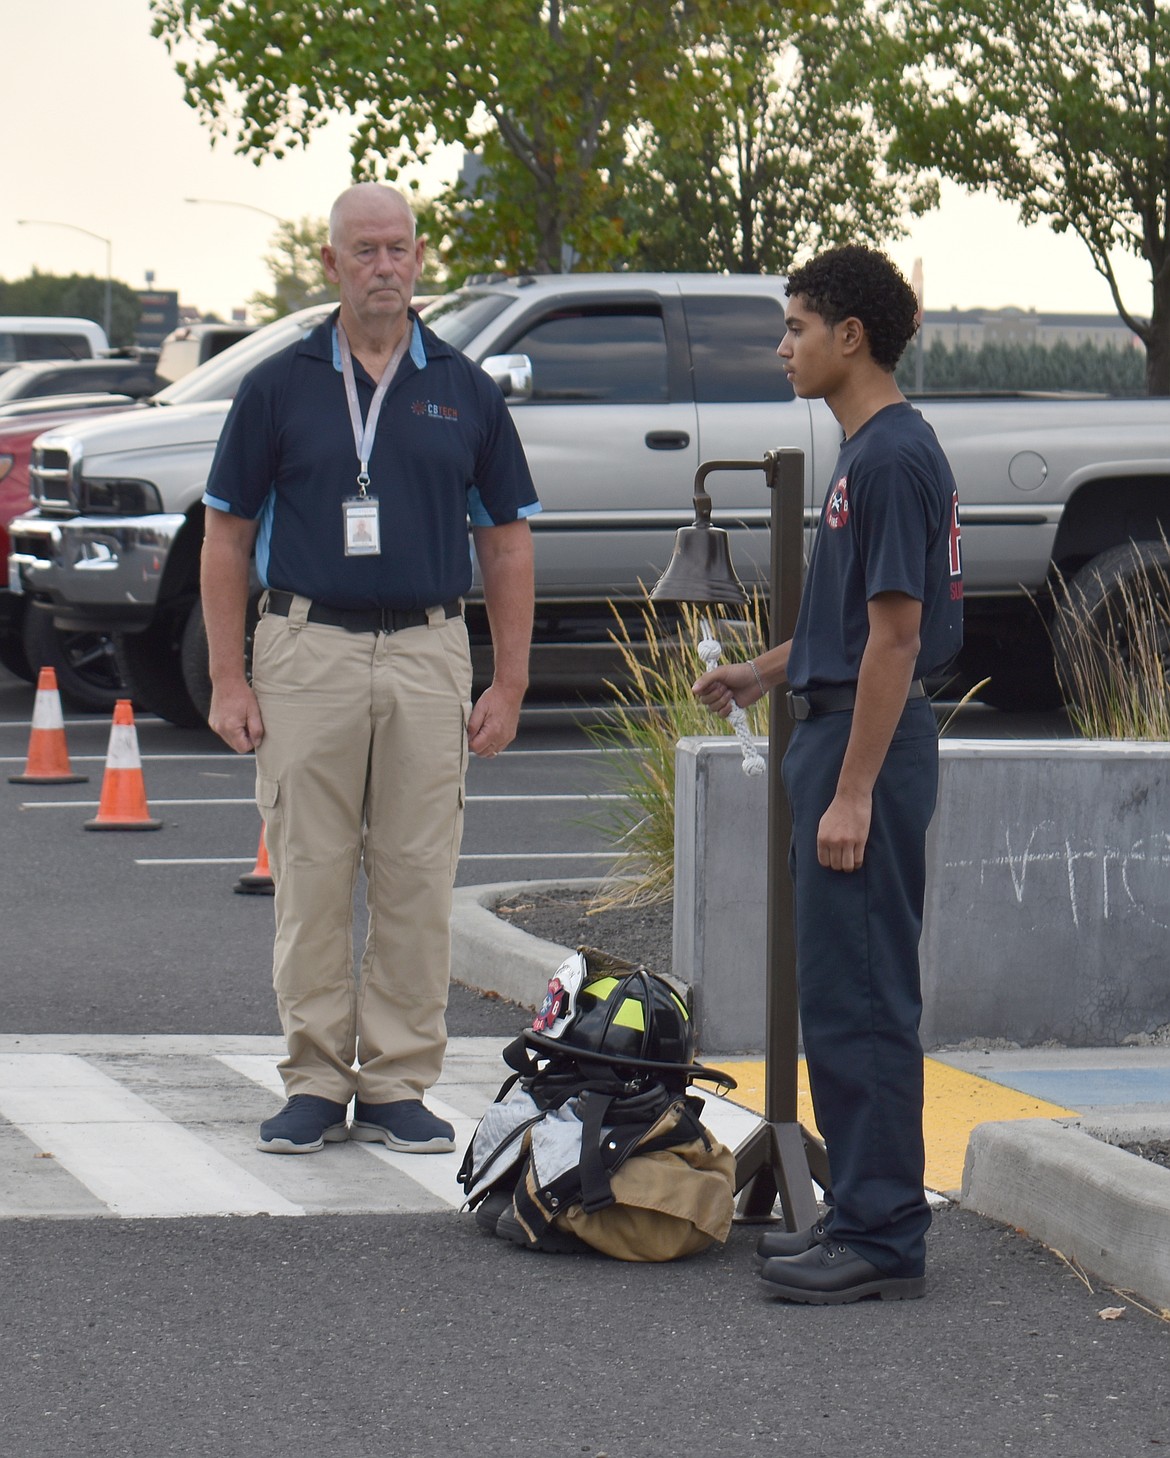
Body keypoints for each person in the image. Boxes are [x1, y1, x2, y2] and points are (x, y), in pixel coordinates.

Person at [201, 183, 540, 1157]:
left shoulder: (464, 388)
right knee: (310, 870)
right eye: (365, 251)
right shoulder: (280, 384)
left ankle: (395, 1083)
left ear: (418, 258)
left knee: (415, 873)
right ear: (332, 264)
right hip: (307, 647)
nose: (384, 266)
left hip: (432, 646)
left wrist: (506, 682)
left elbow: (507, 543)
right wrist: (230, 676)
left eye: (398, 249)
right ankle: (314, 1079)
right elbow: (225, 538)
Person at [693, 246, 962, 1303]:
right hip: (842, 731)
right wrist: (765, 673)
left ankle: (885, 1238)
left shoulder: (891, 458)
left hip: (869, 750)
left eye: (796, 326)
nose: (784, 346)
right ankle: (859, 1210)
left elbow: (895, 641)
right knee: (841, 993)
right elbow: (850, 628)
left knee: (860, 1000)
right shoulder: (871, 448)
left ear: (850, 336)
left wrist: (850, 792)